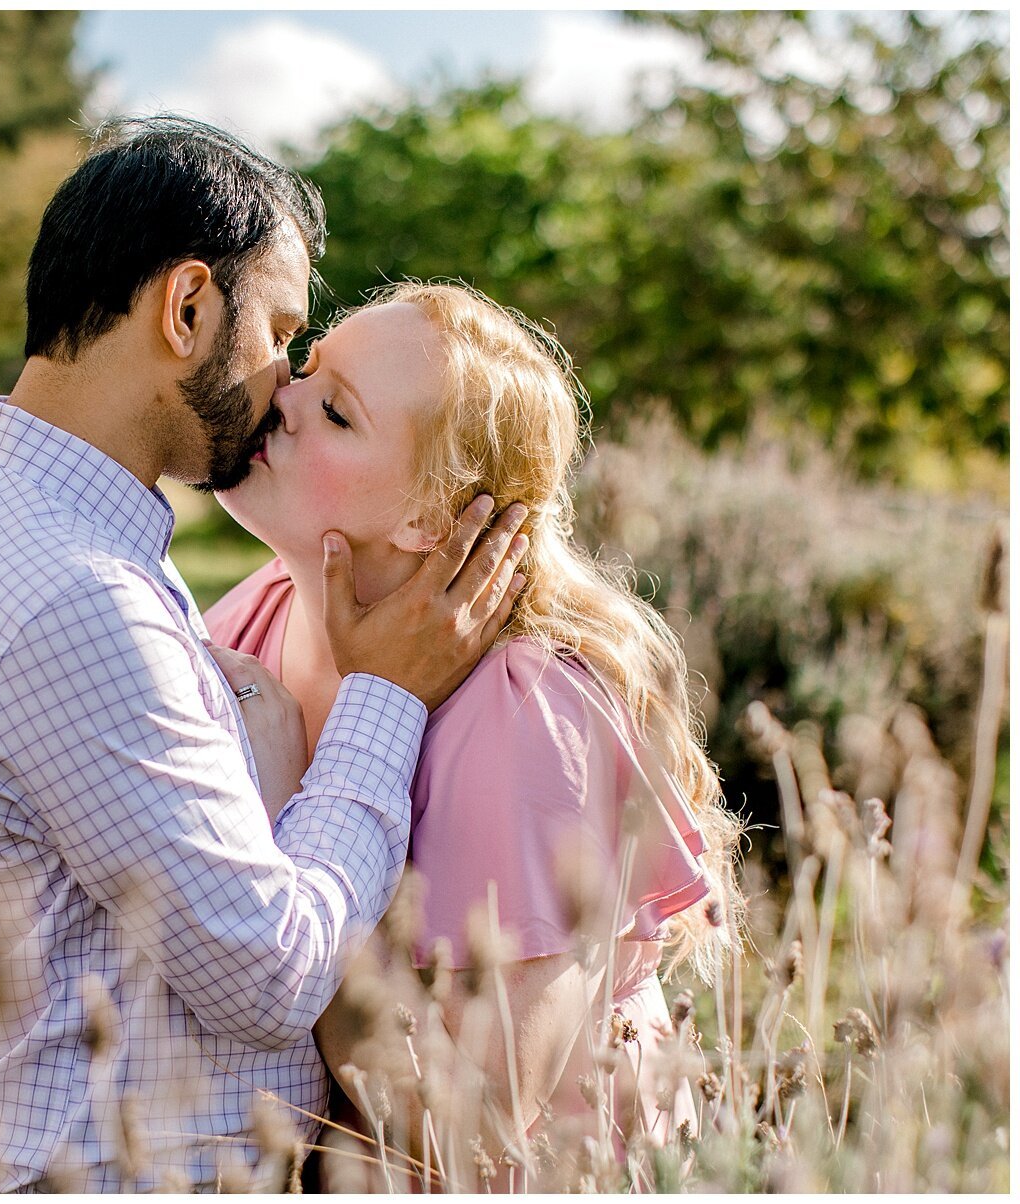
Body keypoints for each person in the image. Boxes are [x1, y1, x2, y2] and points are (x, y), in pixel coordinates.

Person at [0, 119, 529, 1192]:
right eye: (280, 329)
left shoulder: (39, 516)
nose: (283, 381)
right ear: (187, 308)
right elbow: (269, 973)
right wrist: (384, 697)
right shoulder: (77, 593)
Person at [206, 281, 744, 1185]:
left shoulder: (525, 713)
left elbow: (476, 1137)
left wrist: (290, 899)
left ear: (430, 518)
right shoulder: (250, 619)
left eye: (336, 411)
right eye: (306, 371)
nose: (280, 398)